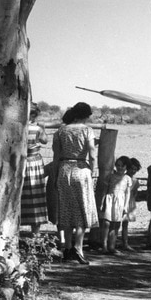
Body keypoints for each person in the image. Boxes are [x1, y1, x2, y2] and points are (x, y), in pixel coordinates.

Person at [52, 102, 98, 264]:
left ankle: (67, 247)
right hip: (81, 169)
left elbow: (56, 156)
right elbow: (92, 153)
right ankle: (78, 248)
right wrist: (94, 169)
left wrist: (55, 174)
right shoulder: (87, 130)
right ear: (85, 115)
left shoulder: (61, 131)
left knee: (66, 209)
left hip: (64, 170)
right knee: (83, 209)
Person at [21, 104, 49, 235]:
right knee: (36, 195)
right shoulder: (37, 127)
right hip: (35, 163)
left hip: (21, 163)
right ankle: (35, 233)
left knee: (21, 195)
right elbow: (44, 140)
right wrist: (42, 128)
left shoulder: (19, 127)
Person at [99, 156, 132, 255]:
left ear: (126, 167)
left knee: (116, 224)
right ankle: (104, 246)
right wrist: (102, 202)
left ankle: (112, 246)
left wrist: (125, 206)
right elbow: (105, 189)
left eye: (122, 166)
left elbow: (127, 193)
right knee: (106, 223)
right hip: (110, 199)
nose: (120, 168)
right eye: (118, 165)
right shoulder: (110, 176)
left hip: (120, 202)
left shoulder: (127, 178)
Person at [121, 157, 142, 251]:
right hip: (121, 202)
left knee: (125, 224)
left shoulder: (136, 181)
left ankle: (125, 243)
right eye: (131, 168)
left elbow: (135, 193)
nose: (133, 170)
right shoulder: (121, 178)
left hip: (129, 203)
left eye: (135, 169)